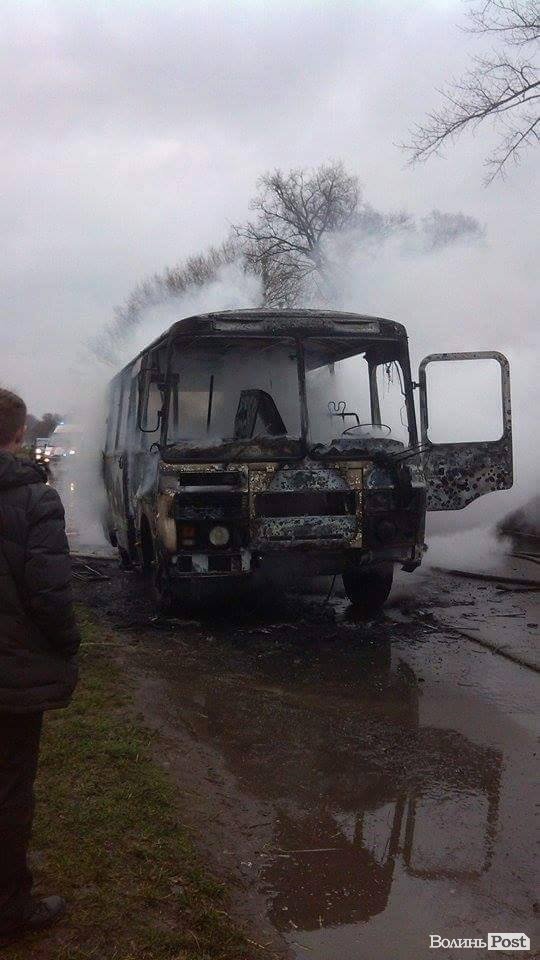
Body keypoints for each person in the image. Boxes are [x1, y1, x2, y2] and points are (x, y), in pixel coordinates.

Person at [0, 388, 80, 942]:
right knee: (8, 787)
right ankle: (9, 909)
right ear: (20, 433)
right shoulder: (34, 500)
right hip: (12, 674)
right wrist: (68, 645)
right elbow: (49, 595)